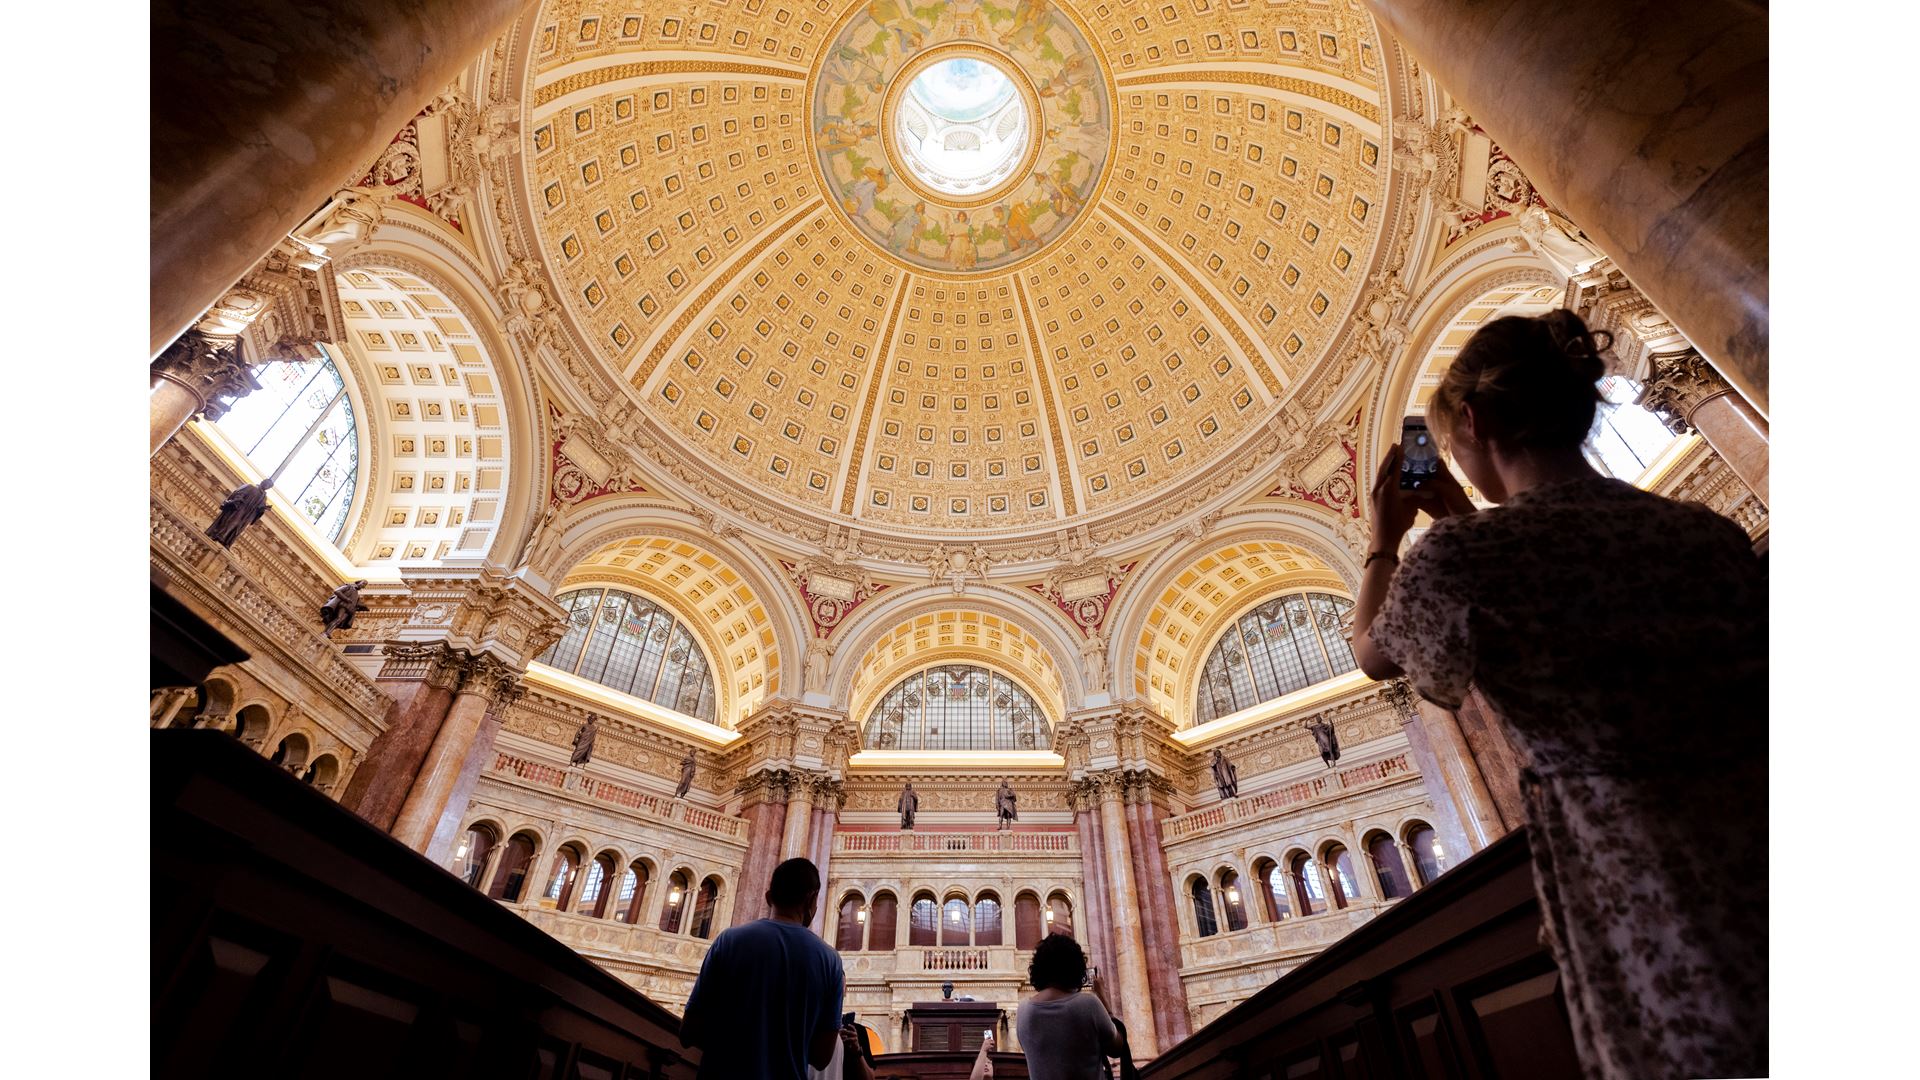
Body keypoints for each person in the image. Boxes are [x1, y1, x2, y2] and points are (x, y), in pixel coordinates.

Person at [1349, 310, 1766, 1080]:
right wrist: (1462, 520)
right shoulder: (1703, 531)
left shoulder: (1462, 559)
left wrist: (1384, 536)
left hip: (1635, 869)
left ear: (1472, 423)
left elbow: (1374, 651)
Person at [680, 857, 846, 1079]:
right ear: (812, 899)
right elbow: (821, 1056)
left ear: (769, 897)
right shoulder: (830, 961)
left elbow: (689, 1031)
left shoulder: (728, 941)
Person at [1016, 934, 1121, 1080]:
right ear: (1075, 967)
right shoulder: (1088, 1004)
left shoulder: (1023, 1010)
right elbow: (1117, 1048)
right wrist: (1102, 997)